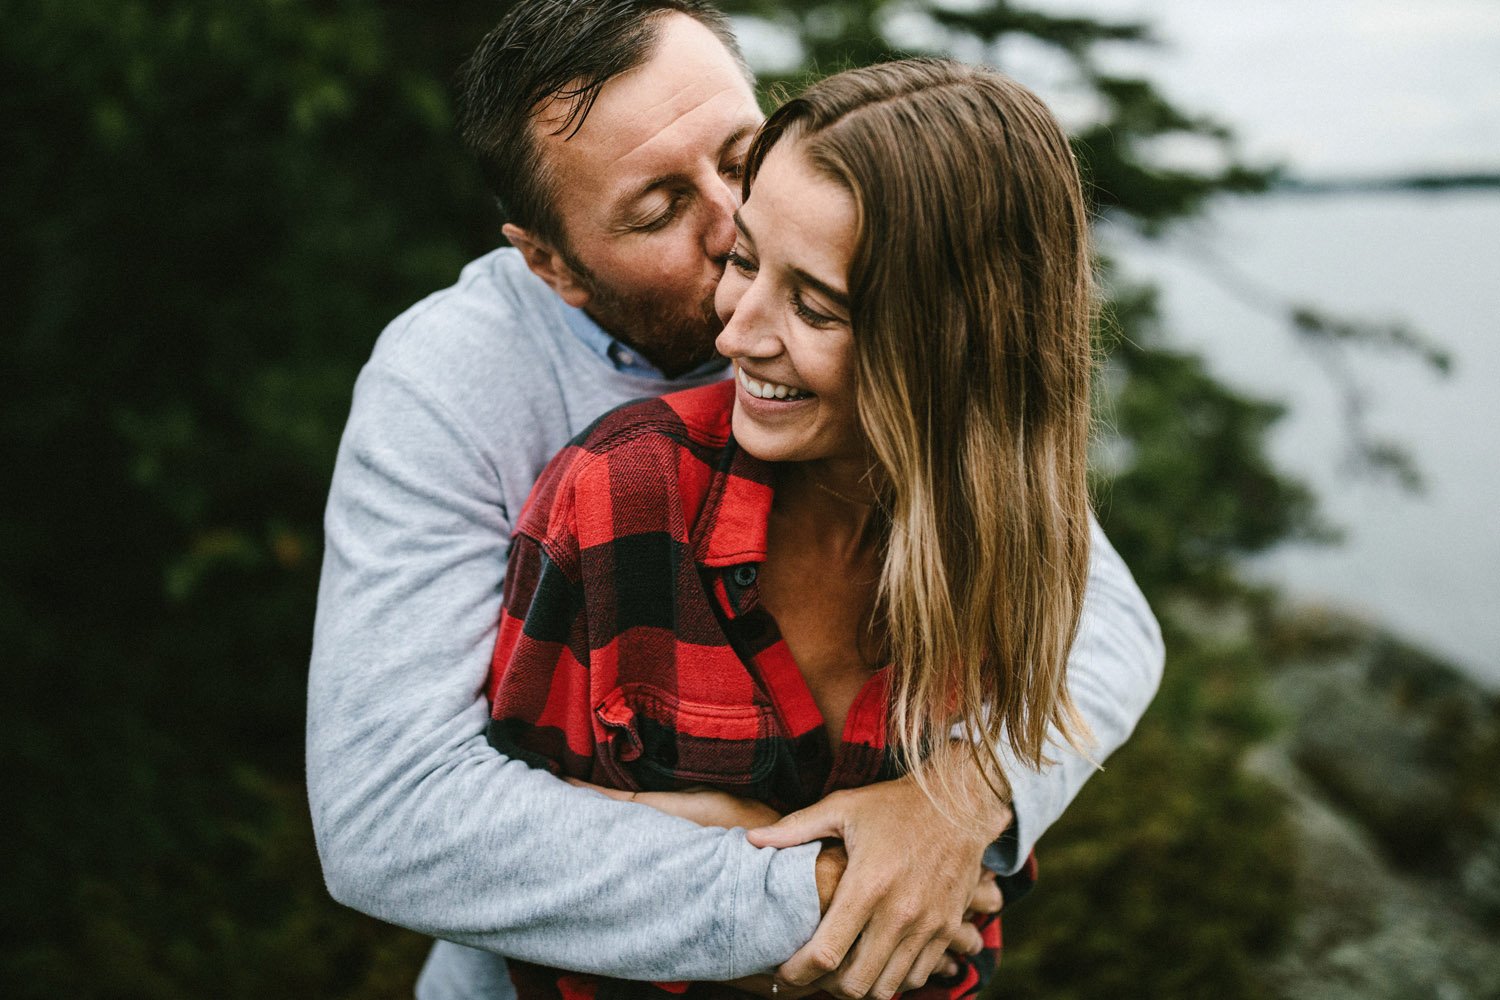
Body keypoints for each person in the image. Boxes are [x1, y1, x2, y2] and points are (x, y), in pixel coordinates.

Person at [305, 3, 1165, 999]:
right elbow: (391, 819)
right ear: (551, 262)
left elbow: (1104, 623)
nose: (732, 228)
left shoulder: (875, 326)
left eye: (741, 155)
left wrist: (960, 803)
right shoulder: (455, 383)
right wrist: (825, 888)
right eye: (660, 207)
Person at [487, 56, 1096, 1000]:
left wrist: (958, 812)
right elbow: (511, 859)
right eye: (744, 260)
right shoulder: (623, 493)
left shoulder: (1013, 549)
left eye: (814, 305)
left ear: (954, 343)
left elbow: (961, 923)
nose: (736, 332)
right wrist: (767, 874)